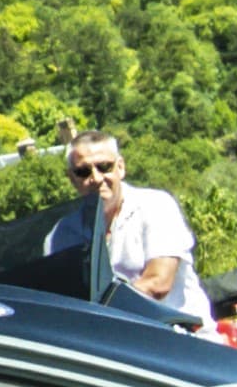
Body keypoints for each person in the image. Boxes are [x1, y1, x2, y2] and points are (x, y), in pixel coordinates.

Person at [65, 133, 219, 331]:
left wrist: (100, 311)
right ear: (71, 178)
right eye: (83, 172)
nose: (96, 178)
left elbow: (158, 283)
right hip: (110, 343)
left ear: (120, 167)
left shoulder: (156, 205)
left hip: (182, 339)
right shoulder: (63, 233)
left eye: (104, 167)